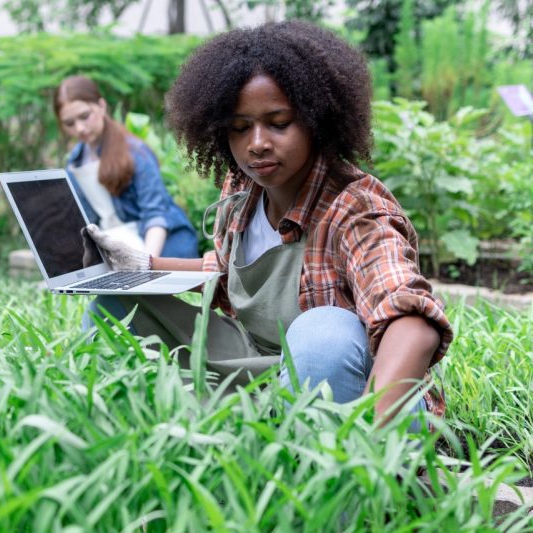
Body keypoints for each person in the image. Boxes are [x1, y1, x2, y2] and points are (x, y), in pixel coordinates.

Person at [84, 21, 453, 424]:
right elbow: (229, 275)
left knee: (323, 333)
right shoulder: (243, 188)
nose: (257, 143)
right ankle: (139, 430)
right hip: (260, 366)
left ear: (317, 120)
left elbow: (411, 320)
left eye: (278, 123)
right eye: (240, 128)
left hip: (354, 391)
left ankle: (327, 462)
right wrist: (142, 266)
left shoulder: (355, 210)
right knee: (114, 308)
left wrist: (370, 438)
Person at [53, 75, 198, 260]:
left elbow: (155, 215)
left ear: (102, 106)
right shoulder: (74, 163)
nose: (80, 128)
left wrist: (145, 265)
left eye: (84, 116)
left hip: (164, 244)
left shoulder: (136, 151)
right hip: (119, 249)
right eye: (69, 123)